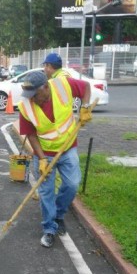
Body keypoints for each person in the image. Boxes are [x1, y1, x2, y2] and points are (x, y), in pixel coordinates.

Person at [18, 70, 92, 248]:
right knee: (46, 192)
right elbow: (31, 134)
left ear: (45, 86)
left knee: (72, 184)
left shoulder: (62, 85)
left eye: (35, 94)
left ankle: (59, 214)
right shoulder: (26, 106)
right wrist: (42, 159)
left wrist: (85, 106)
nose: (33, 99)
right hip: (45, 153)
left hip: (67, 148)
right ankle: (49, 228)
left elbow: (86, 87)